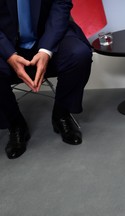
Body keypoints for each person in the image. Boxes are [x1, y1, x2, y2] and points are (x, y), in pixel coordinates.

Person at [0, 0, 93, 159]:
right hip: (6, 42)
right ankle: (15, 124)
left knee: (79, 54)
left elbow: (61, 4)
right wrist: (9, 55)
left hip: (48, 35)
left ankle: (61, 114)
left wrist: (45, 50)